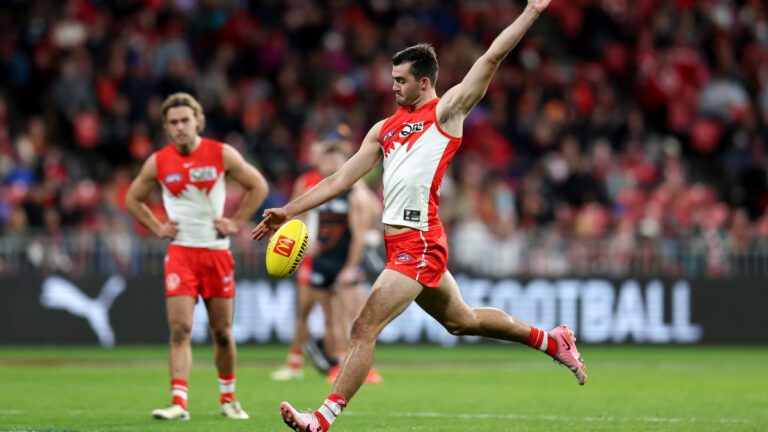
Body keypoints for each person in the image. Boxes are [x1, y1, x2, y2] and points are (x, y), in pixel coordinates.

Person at [253, 1, 586, 430]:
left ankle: (321, 419)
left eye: (400, 80)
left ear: (424, 81)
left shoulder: (446, 113)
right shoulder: (383, 129)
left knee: (362, 327)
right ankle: (551, 339)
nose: (393, 87)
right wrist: (287, 210)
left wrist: (532, 12)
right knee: (460, 320)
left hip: (420, 240)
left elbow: (491, 58)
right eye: (392, 79)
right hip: (401, 244)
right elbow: (339, 178)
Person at [126, 92, 269, 421]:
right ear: (166, 127)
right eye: (173, 122)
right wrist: (156, 226)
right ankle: (179, 402)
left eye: (184, 120)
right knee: (180, 329)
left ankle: (229, 398)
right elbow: (134, 199)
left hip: (216, 254)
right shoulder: (158, 161)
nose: (179, 127)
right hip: (181, 254)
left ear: (198, 121)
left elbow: (258, 186)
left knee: (222, 331)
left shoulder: (220, 153)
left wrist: (235, 221)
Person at [272, 140, 383, 385]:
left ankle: (362, 366)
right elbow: (301, 218)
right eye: (327, 159)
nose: (330, 164)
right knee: (329, 317)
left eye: (335, 160)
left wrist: (351, 266)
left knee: (354, 316)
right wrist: (306, 241)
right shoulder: (316, 188)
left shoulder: (354, 192)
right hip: (322, 261)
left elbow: (359, 232)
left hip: (345, 262)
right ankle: (334, 364)